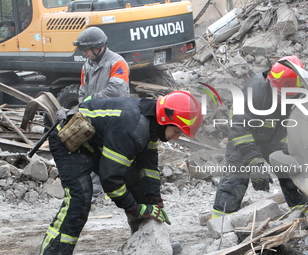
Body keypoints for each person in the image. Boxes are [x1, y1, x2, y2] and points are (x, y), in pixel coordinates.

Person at [39, 91, 203, 254]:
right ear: (165, 120)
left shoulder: (152, 125)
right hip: (69, 139)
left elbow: (149, 168)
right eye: (177, 131)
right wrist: (135, 209)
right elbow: (110, 180)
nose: (176, 137)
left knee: (138, 187)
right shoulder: (132, 129)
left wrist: (154, 200)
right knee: (80, 198)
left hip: (96, 142)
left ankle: (148, 245)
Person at [212, 55, 308, 218]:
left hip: (273, 138)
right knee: (237, 175)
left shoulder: (301, 91)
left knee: (290, 168)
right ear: (270, 82)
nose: (283, 99)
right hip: (243, 135)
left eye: (289, 96)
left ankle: (302, 213)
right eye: (280, 94)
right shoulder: (253, 92)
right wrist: (255, 164)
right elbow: (239, 128)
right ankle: (220, 220)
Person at [73, 26, 130, 203]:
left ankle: (120, 188)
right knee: (92, 151)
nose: (84, 53)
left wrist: (93, 100)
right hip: (94, 116)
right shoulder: (87, 65)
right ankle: (94, 191)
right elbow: (82, 90)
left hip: (115, 117)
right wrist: (83, 106)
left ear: (99, 47)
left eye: (87, 49)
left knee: (111, 153)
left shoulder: (117, 63)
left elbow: (117, 91)